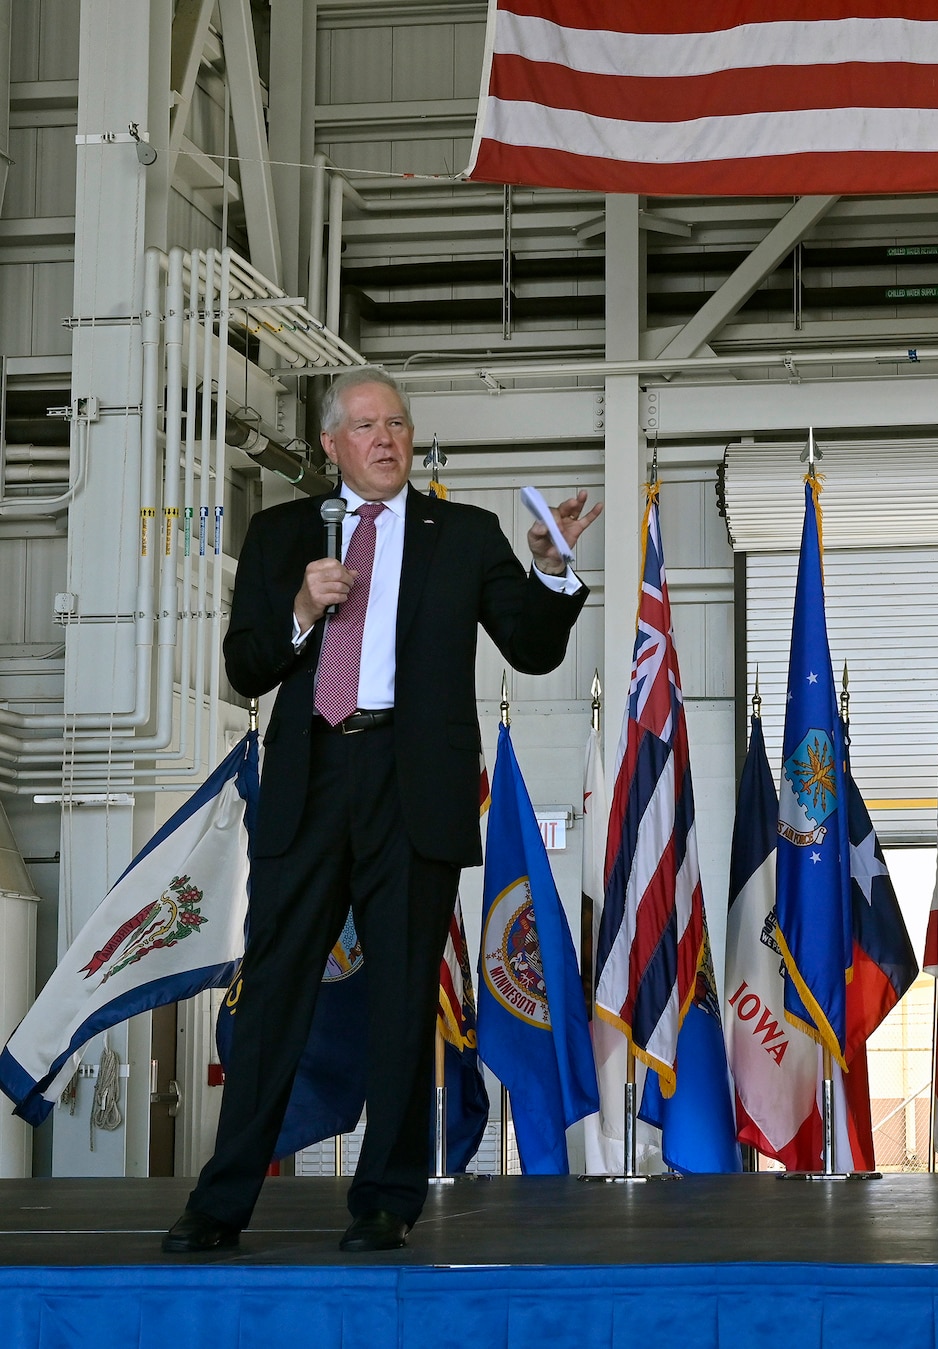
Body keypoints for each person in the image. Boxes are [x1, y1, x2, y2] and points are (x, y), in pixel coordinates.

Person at [163, 367, 603, 1253]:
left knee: (406, 1001)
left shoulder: (464, 534)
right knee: (275, 993)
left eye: (396, 424)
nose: (386, 439)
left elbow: (530, 644)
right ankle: (221, 1199)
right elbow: (245, 665)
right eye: (365, 426)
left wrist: (551, 573)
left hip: (413, 786)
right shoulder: (282, 532)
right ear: (330, 446)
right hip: (310, 779)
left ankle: (387, 1199)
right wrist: (299, 608)